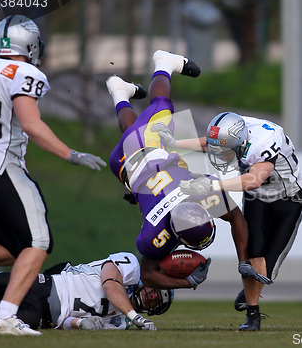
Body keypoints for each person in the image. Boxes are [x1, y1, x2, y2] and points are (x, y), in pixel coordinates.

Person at [105, 50, 270, 294]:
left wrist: (242, 261)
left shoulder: (159, 233)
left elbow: (147, 273)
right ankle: (161, 64)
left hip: (141, 159)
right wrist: (189, 282)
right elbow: (236, 217)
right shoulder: (158, 232)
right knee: (157, 108)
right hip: (125, 164)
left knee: (147, 117)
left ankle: (128, 86)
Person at [0, 15, 106, 336]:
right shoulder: (24, 72)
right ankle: (5, 315)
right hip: (3, 167)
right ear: (28, 44)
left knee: (16, 250)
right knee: (39, 242)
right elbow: (30, 123)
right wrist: (72, 154)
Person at [158, 110, 302, 331]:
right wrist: (175, 142)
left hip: (289, 199)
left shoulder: (262, 143)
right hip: (257, 199)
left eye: (225, 151)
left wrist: (212, 185)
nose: (220, 155)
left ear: (240, 143)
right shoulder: (234, 133)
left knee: (266, 272)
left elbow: (254, 179)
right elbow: (210, 143)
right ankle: (253, 316)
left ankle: (251, 291)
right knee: (253, 260)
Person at [0, 251, 173, 331]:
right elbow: (110, 284)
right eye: (154, 292)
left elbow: (64, 323)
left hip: (43, 316)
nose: (150, 297)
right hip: (43, 286)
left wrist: (79, 324)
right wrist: (136, 317)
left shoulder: (122, 322)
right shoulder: (131, 266)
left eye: (156, 301)